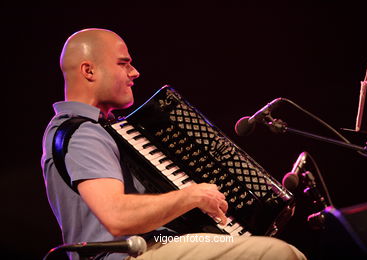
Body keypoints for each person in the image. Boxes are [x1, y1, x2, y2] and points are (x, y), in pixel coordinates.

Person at [41, 28, 306, 260]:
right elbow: (118, 217)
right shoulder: (82, 133)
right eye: (123, 63)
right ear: (89, 70)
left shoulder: (104, 129)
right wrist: (193, 195)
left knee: (271, 249)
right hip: (126, 254)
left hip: (156, 244)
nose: (135, 72)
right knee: (277, 254)